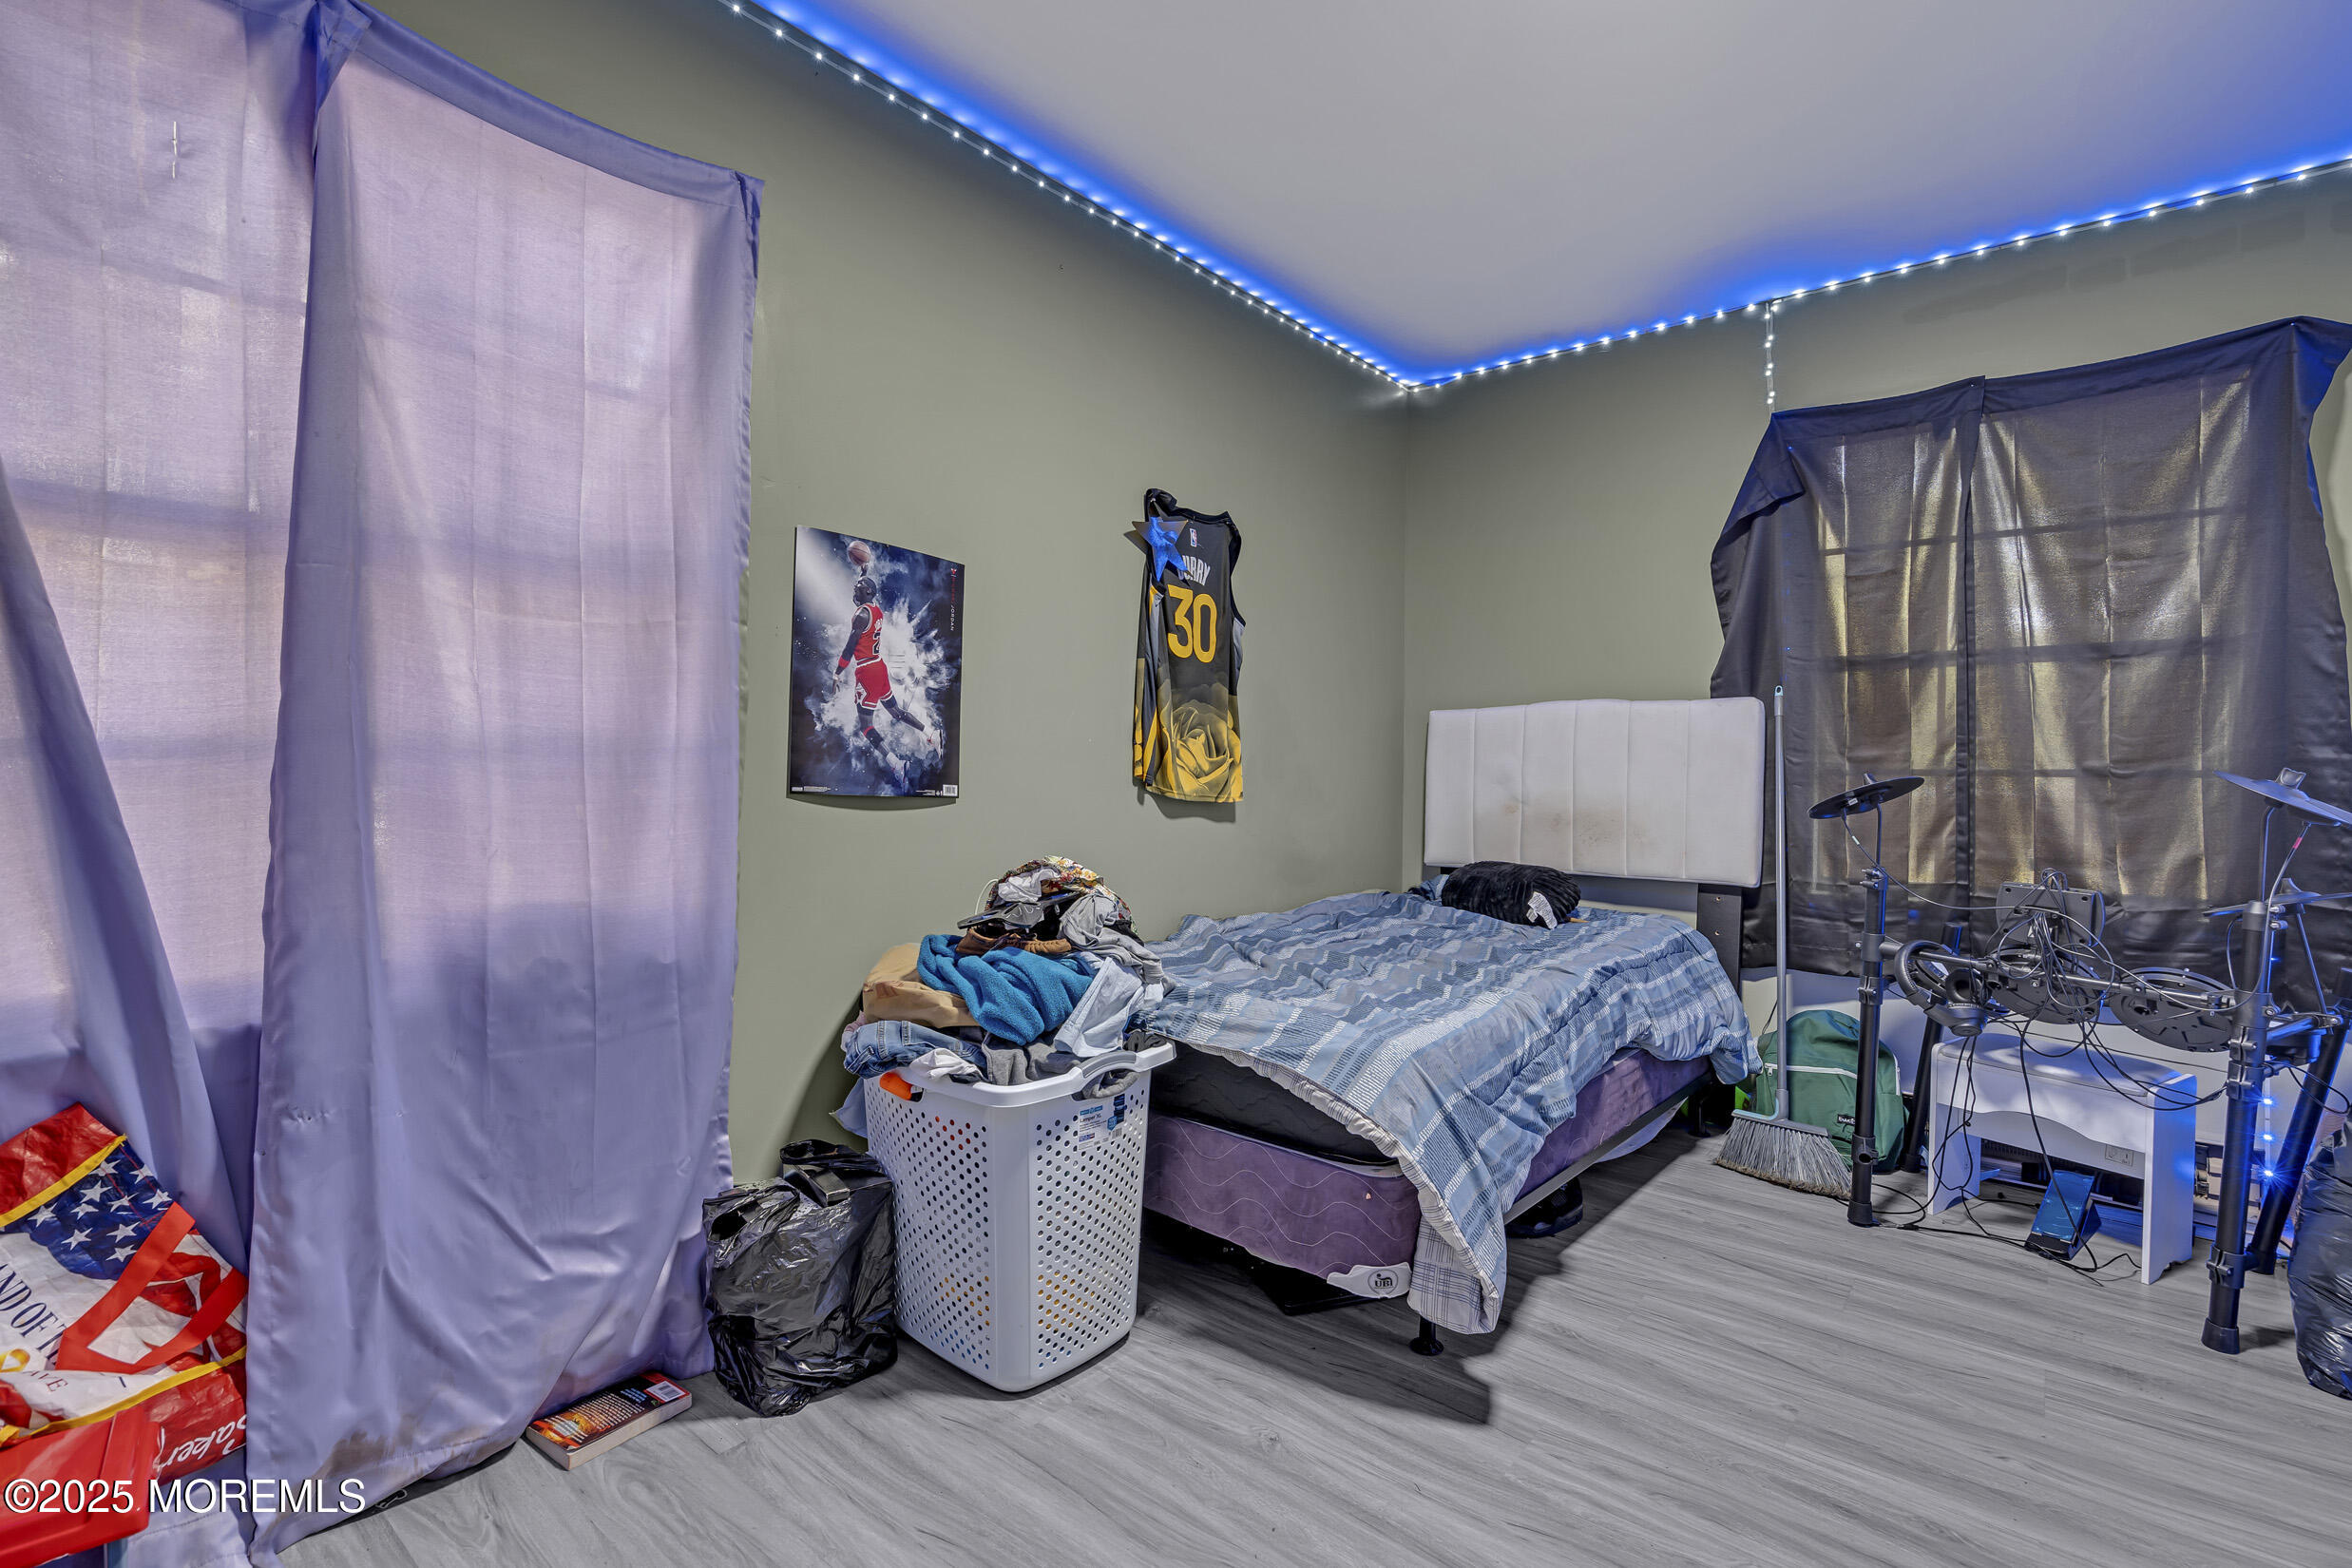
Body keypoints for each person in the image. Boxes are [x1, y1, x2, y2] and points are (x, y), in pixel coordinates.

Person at [836, 575, 930, 750]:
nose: (855, 587)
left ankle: (896, 765)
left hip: (867, 670)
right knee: (897, 713)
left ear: (869, 591)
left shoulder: (862, 615)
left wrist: (837, 672)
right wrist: (863, 573)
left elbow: (849, 648)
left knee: (866, 726)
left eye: (859, 585)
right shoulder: (876, 610)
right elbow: (864, 596)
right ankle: (931, 734)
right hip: (879, 666)